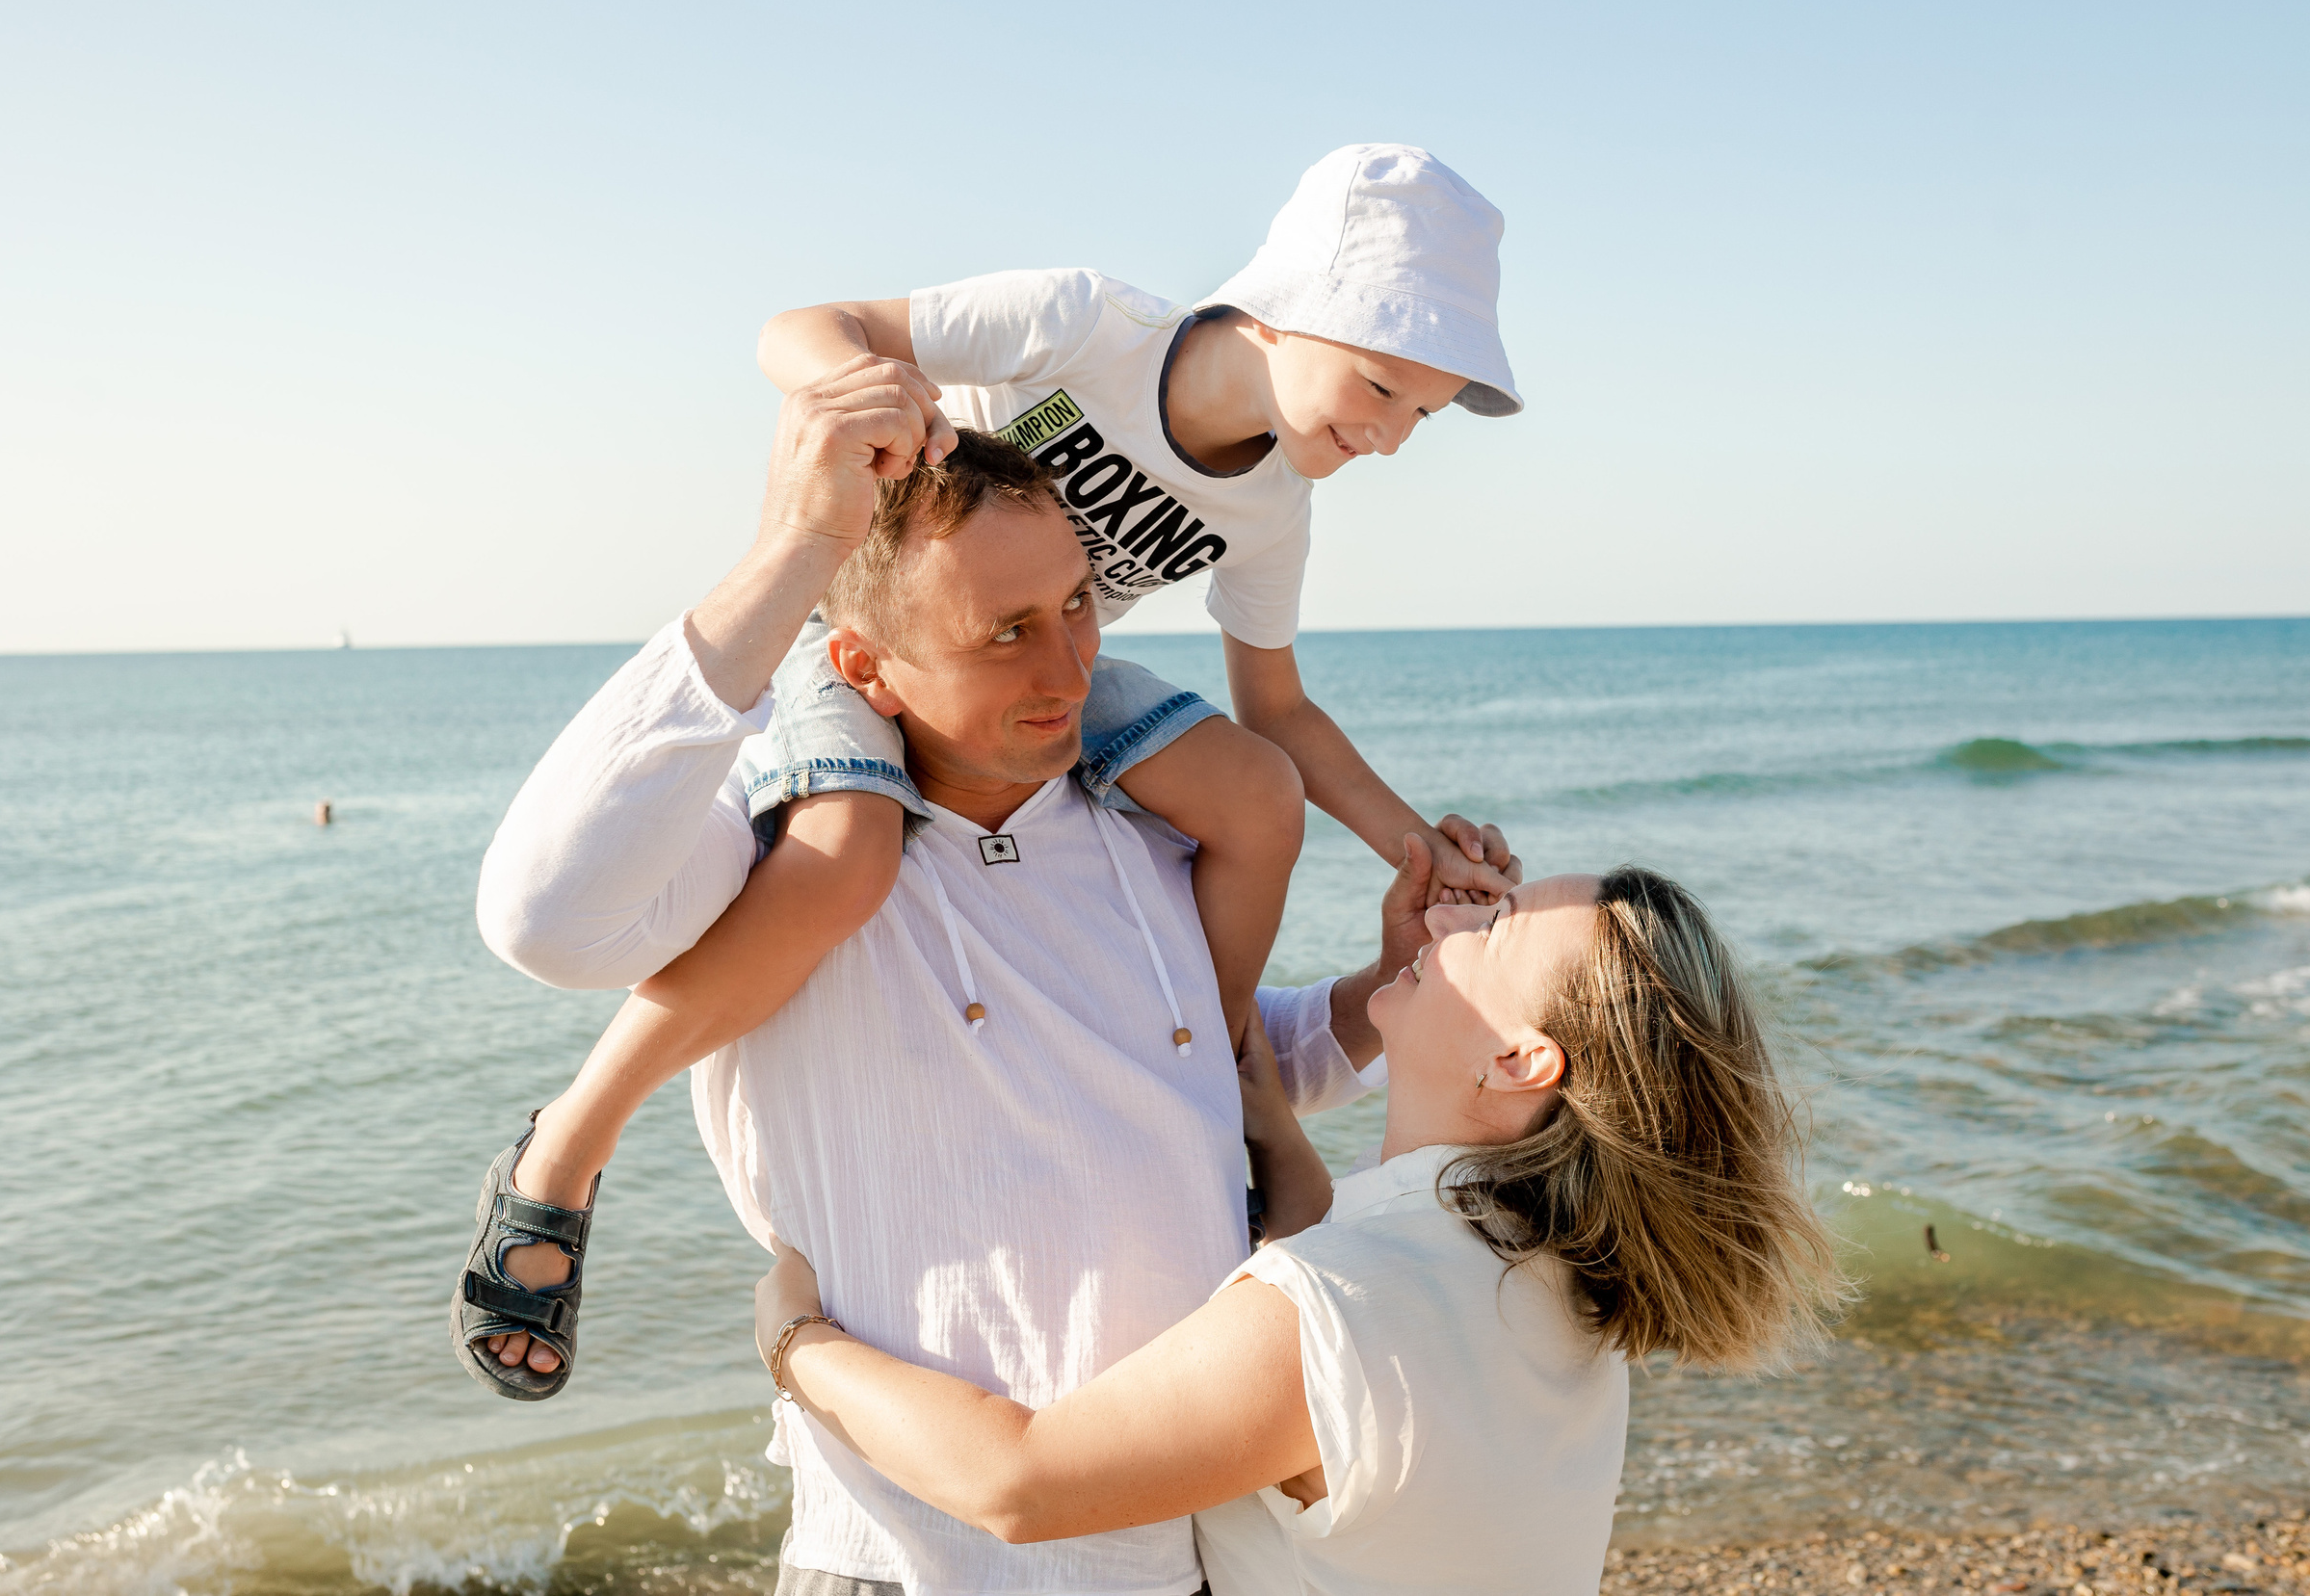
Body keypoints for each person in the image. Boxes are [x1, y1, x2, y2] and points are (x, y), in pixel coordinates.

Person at [459, 146, 1532, 1377]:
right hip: (888, 645)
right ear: (1288, 307)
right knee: (848, 856)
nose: (1390, 437)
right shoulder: (1090, 324)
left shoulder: (1274, 504)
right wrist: (865, 402)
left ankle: (1224, 1061)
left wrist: (1415, 845)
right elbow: (807, 327)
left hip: (1042, 668)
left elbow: (1275, 709)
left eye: (1421, 416)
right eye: (1382, 383)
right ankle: (574, 1140)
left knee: (1254, 792)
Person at [463, 381, 1463, 1596]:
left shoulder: (1149, 837)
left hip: (1177, 1552)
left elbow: (1218, 1063)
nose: (1068, 668)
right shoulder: (776, 859)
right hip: (896, 1560)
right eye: (1005, 632)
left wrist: (1391, 984)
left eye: (1078, 607)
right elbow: (544, 918)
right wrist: (794, 549)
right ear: (863, 670)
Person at [753, 853, 1845, 1596]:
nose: (1455, 918)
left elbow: (1016, 1482)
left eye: (1495, 930)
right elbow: (1376, 1341)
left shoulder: (1330, 1312)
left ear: (1518, 1061)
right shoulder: (1563, 1281)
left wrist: (799, 1343)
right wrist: (1275, 1136)